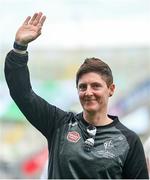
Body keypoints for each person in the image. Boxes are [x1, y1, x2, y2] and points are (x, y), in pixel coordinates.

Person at [4, 12, 149, 179]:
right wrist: (19, 48)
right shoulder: (59, 124)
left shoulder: (129, 141)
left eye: (95, 86)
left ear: (111, 89)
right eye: (82, 87)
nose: (88, 92)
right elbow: (22, 93)